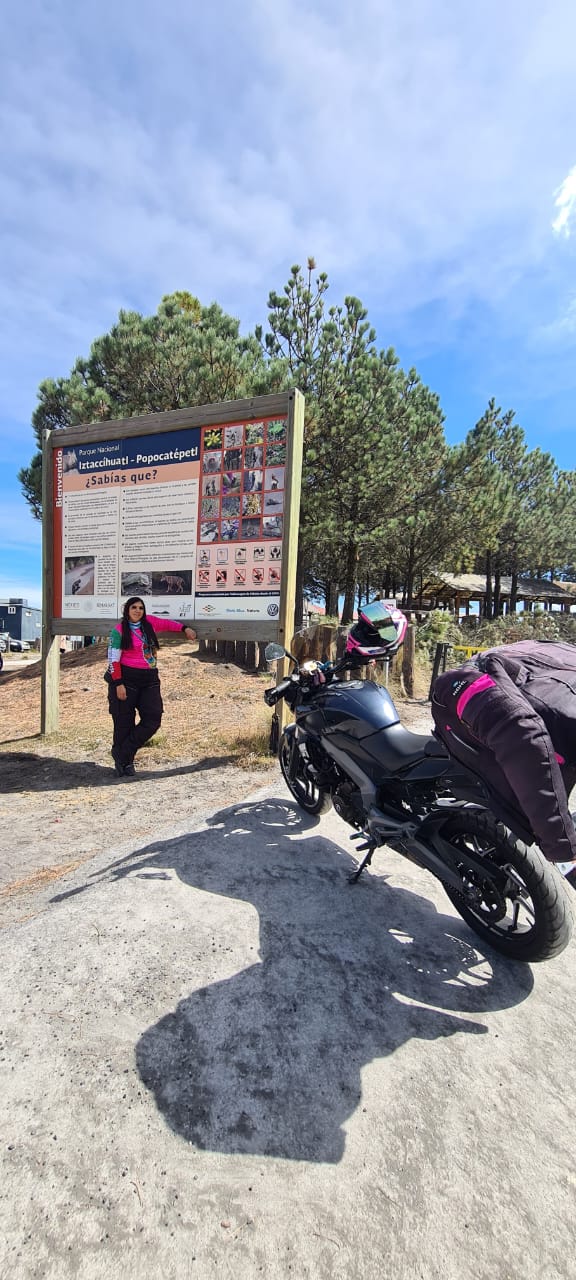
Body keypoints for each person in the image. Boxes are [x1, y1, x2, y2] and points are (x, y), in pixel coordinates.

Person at [431, 639, 576, 886]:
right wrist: (563, 847)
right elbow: (524, 738)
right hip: (466, 689)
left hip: (527, 669)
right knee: (522, 775)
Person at [107, 597, 196, 777]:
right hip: (126, 679)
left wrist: (185, 628)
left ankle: (122, 752)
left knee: (153, 719)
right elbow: (113, 659)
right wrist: (118, 683)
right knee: (123, 723)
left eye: (141, 608)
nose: (138, 611)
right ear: (127, 610)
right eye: (134, 607)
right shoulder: (118, 631)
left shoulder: (149, 623)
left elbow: (168, 624)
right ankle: (126, 762)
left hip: (149, 679)